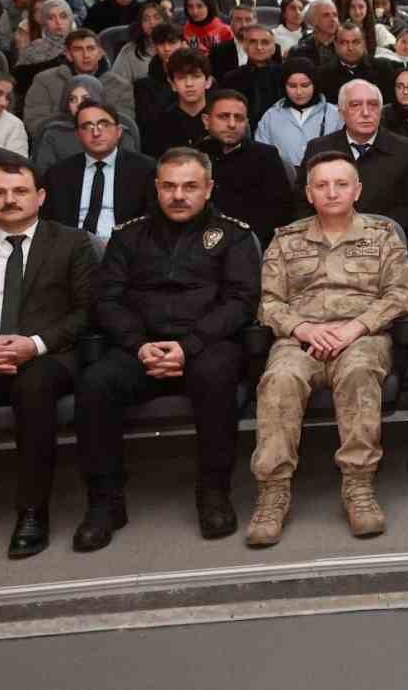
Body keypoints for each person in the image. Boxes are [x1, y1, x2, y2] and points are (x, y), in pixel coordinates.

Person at [72, 148, 261, 551]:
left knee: (216, 375)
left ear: (209, 189)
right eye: (170, 186)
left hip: (206, 346)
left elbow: (241, 301)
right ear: (156, 188)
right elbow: (106, 300)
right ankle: (105, 501)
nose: (179, 195)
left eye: (190, 186)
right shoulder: (128, 236)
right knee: (95, 383)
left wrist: (188, 346)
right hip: (138, 346)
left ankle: (213, 492)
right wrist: (140, 346)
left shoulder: (234, 234)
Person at [245, 152, 408, 547]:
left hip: (362, 337)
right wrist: (304, 328)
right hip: (299, 339)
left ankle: (358, 487)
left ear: (357, 190)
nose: (332, 191)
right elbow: (268, 303)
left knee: (358, 374)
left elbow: (400, 295)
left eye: (341, 184)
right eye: (321, 185)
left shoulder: (382, 236)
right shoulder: (285, 240)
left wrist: (354, 328)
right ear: (308, 193)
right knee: (279, 379)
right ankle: (273, 492)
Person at [0, 160, 97, 558]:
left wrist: (33, 344)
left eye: (19, 191)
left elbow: (86, 313)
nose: (9, 200)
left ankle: (32, 511)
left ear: (40, 197)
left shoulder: (71, 243)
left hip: (47, 355)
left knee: (34, 388)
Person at [298, 80, 408, 250]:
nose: (366, 113)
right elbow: (302, 203)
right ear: (341, 112)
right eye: (355, 105)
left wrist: (369, 232)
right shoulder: (318, 148)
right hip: (327, 243)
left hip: (384, 244)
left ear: (381, 111)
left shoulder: (406, 150)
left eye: (373, 105)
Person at [41, 100, 157, 241]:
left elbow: (151, 221)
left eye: (104, 125)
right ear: (77, 135)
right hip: (74, 249)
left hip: (126, 248)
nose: (96, 132)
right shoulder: (58, 174)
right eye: (87, 127)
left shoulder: (145, 169)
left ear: (119, 131)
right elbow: (49, 224)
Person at [198, 90, 294, 249]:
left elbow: (280, 214)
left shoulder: (266, 156)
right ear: (206, 120)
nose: (232, 124)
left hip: (253, 246)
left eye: (239, 118)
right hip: (200, 247)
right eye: (223, 116)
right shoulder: (194, 157)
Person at [254, 57, 344, 170]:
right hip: (283, 180)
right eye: (292, 86)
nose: (299, 92)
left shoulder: (334, 114)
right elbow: (261, 154)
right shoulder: (271, 116)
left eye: (305, 85)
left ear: (315, 84)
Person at [22, 29, 109, 139]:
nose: (86, 55)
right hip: (57, 144)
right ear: (68, 54)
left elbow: (122, 125)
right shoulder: (44, 80)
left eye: (90, 48)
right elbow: (34, 123)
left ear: (101, 53)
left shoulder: (118, 83)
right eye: (78, 49)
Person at [141, 47, 211, 158]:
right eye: (181, 78)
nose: (189, 84)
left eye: (196, 77)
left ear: (208, 81)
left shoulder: (220, 118)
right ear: (172, 83)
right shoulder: (158, 124)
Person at [315, 23, 393, 106]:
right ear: (335, 45)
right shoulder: (323, 74)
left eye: (355, 42)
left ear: (363, 43)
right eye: (344, 43)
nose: (350, 48)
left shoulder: (382, 68)